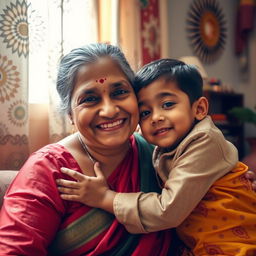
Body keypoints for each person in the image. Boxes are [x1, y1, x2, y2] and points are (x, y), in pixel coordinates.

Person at [57, 59, 256, 256]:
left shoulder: (204, 140)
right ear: (70, 116)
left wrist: (105, 197)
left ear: (199, 109)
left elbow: (168, 211)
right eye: (145, 112)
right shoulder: (160, 144)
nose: (155, 118)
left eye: (168, 104)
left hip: (233, 244)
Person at [0, 44, 174, 256]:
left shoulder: (159, 152)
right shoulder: (47, 170)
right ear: (70, 115)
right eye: (90, 99)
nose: (109, 110)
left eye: (120, 92)